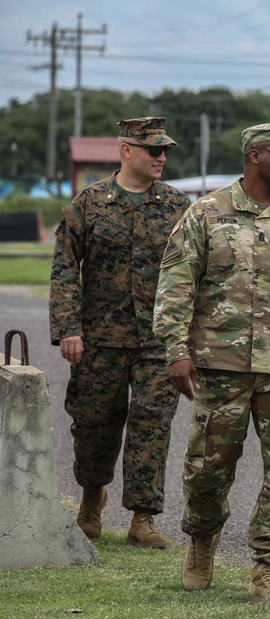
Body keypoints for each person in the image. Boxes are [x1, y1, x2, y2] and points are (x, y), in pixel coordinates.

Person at [153, 123, 270, 603]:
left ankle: (268, 570)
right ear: (255, 156)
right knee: (208, 469)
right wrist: (176, 351)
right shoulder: (205, 215)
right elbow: (175, 288)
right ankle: (201, 540)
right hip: (219, 366)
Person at [49, 116, 190, 549]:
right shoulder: (88, 205)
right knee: (94, 423)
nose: (161, 157)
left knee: (152, 424)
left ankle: (143, 518)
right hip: (100, 337)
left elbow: (193, 272)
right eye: (153, 150)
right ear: (126, 150)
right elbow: (64, 270)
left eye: (165, 150)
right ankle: (91, 499)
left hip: (158, 338)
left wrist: (189, 336)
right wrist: (69, 328)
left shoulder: (179, 207)